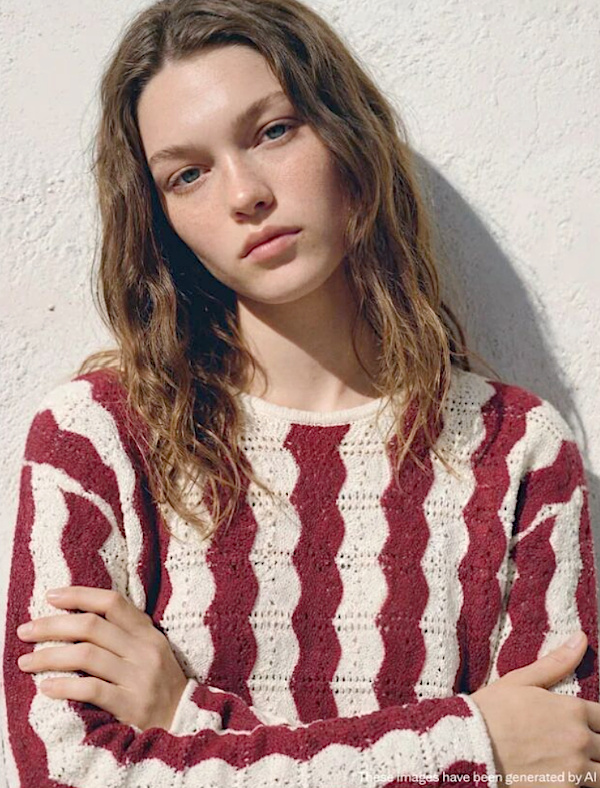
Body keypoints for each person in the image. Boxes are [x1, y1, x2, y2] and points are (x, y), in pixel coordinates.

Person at [3, 0, 599, 785]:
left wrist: (187, 721)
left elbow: (560, 763)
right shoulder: (99, 437)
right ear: (161, 218)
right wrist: (469, 749)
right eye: (188, 174)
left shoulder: (516, 447)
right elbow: (67, 771)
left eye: (273, 131)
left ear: (348, 137)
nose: (244, 193)